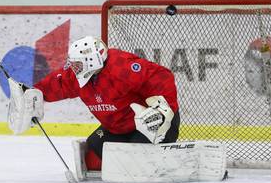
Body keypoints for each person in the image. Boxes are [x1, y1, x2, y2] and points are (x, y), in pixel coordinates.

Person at [30, 36, 180, 171]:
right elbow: (59, 83)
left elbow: (161, 76)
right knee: (92, 156)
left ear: (92, 60)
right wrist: (34, 94)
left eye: (78, 64)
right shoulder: (78, 76)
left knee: (137, 159)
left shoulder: (121, 68)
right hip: (119, 128)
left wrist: (162, 110)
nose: (74, 69)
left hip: (153, 124)